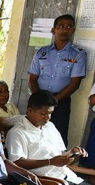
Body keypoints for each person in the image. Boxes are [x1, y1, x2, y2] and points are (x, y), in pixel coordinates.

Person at [28, 14, 86, 145]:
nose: (65, 30)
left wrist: (53, 102)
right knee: (33, 135)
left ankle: (57, 158)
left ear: (73, 30)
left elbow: (75, 84)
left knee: (58, 138)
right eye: (61, 26)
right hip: (39, 99)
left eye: (69, 27)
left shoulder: (78, 54)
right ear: (53, 30)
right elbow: (32, 79)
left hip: (61, 101)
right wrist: (39, 100)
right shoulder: (41, 52)